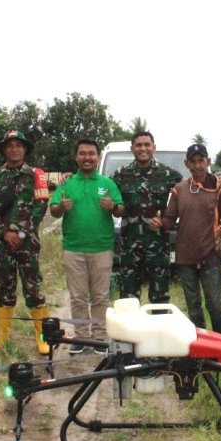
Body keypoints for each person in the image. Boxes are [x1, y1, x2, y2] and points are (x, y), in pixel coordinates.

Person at [50, 139, 124, 354]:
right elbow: (54, 209)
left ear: (97, 157)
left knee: (100, 296)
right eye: (82, 153)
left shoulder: (107, 184)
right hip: (73, 248)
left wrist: (112, 206)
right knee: (78, 296)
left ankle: (100, 337)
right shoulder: (67, 184)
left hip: (102, 248)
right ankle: (81, 337)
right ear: (76, 157)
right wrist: (61, 208)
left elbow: (120, 209)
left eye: (91, 153)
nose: (87, 157)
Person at [0, 130, 51, 354]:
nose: (14, 149)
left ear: (25, 149)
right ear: (4, 149)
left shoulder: (36, 174)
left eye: (18, 145)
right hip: (3, 243)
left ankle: (42, 337)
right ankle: (3, 335)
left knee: (33, 290)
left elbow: (41, 207)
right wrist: (4, 232)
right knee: (4, 289)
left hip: (27, 243)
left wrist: (21, 234)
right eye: (9, 145)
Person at [158, 144, 221, 334]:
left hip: (210, 255)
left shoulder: (219, 187)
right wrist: (159, 222)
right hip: (185, 257)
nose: (198, 165)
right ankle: (202, 347)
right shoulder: (179, 189)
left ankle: (220, 343)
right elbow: (169, 218)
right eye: (193, 161)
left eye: (201, 160)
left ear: (208, 162)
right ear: (186, 164)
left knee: (215, 305)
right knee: (194, 306)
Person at [111, 131, 183, 305]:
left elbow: (189, 193)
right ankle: (129, 333)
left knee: (160, 299)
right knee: (128, 299)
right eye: (139, 145)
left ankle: (157, 331)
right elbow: (101, 190)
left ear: (154, 148)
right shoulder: (120, 174)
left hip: (158, 245)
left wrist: (166, 219)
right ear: (132, 149)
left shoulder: (168, 174)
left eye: (147, 144)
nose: (143, 148)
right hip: (130, 246)